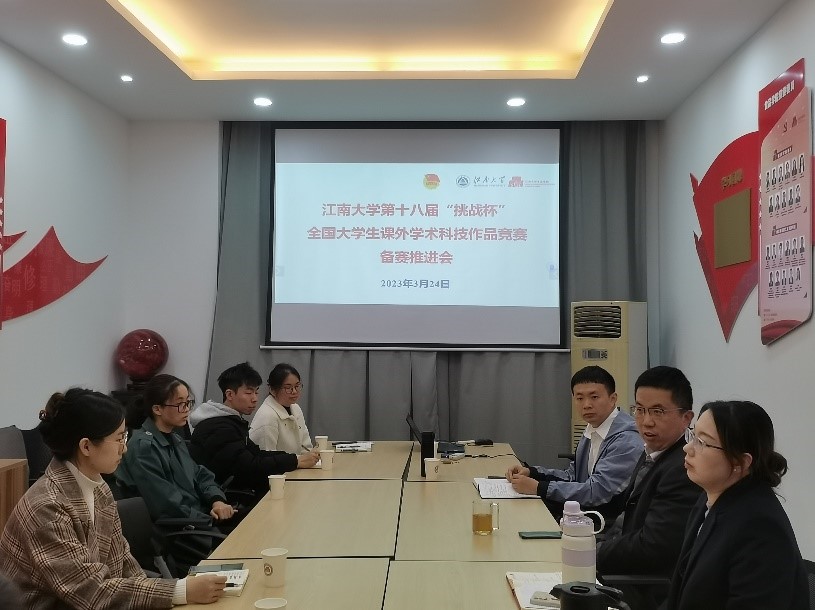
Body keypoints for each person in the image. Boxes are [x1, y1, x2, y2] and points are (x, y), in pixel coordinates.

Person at [0, 388, 226, 608]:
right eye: (119, 438)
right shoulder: (46, 507)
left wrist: (162, 595)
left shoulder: (99, 488)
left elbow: (124, 564)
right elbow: (90, 592)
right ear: (86, 446)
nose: (124, 449)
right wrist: (179, 590)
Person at [665, 400, 808, 609]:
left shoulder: (760, 528)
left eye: (702, 442)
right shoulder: (709, 498)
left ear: (740, 462)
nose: (688, 448)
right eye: (692, 435)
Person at [596, 366, 701, 610]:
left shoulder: (682, 470)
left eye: (658, 411)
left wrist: (591, 553)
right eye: (640, 410)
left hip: (641, 591)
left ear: (686, 418)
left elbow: (653, 547)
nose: (646, 421)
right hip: (620, 571)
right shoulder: (653, 453)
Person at [506, 365, 642, 522]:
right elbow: (573, 476)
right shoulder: (593, 428)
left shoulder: (626, 441)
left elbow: (597, 492)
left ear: (613, 399)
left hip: (605, 522)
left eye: (594, 397)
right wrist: (532, 473)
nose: (586, 405)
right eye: (579, 398)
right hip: (584, 514)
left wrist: (539, 487)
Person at [189, 362, 320, 503]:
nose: (255, 398)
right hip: (226, 500)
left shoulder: (232, 421)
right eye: (248, 393)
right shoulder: (218, 428)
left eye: (256, 392)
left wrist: (294, 459)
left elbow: (256, 454)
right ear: (230, 394)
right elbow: (250, 467)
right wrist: (295, 461)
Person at [116, 375, 235, 523]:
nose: (187, 409)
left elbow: (199, 474)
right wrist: (209, 519)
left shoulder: (175, 439)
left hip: (198, 516)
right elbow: (167, 505)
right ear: (157, 409)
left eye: (188, 403)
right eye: (180, 404)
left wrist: (216, 500)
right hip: (180, 526)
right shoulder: (143, 448)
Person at [249, 363, 314, 454]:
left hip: (298, 462)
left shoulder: (295, 408)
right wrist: (301, 460)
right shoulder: (267, 416)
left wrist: (311, 456)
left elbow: (306, 447)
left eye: (297, 386)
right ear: (272, 390)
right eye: (288, 388)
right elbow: (267, 458)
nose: (294, 391)